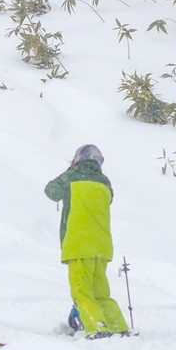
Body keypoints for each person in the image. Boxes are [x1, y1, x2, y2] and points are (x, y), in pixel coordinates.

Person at [44, 145, 130, 339]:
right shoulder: (105, 182)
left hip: (78, 243)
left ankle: (96, 327)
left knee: (81, 291)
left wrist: (69, 171)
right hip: (101, 245)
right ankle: (118, 327)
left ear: (77, 160)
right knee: (100, 292)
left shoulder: (72, 177)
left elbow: (50, 192)